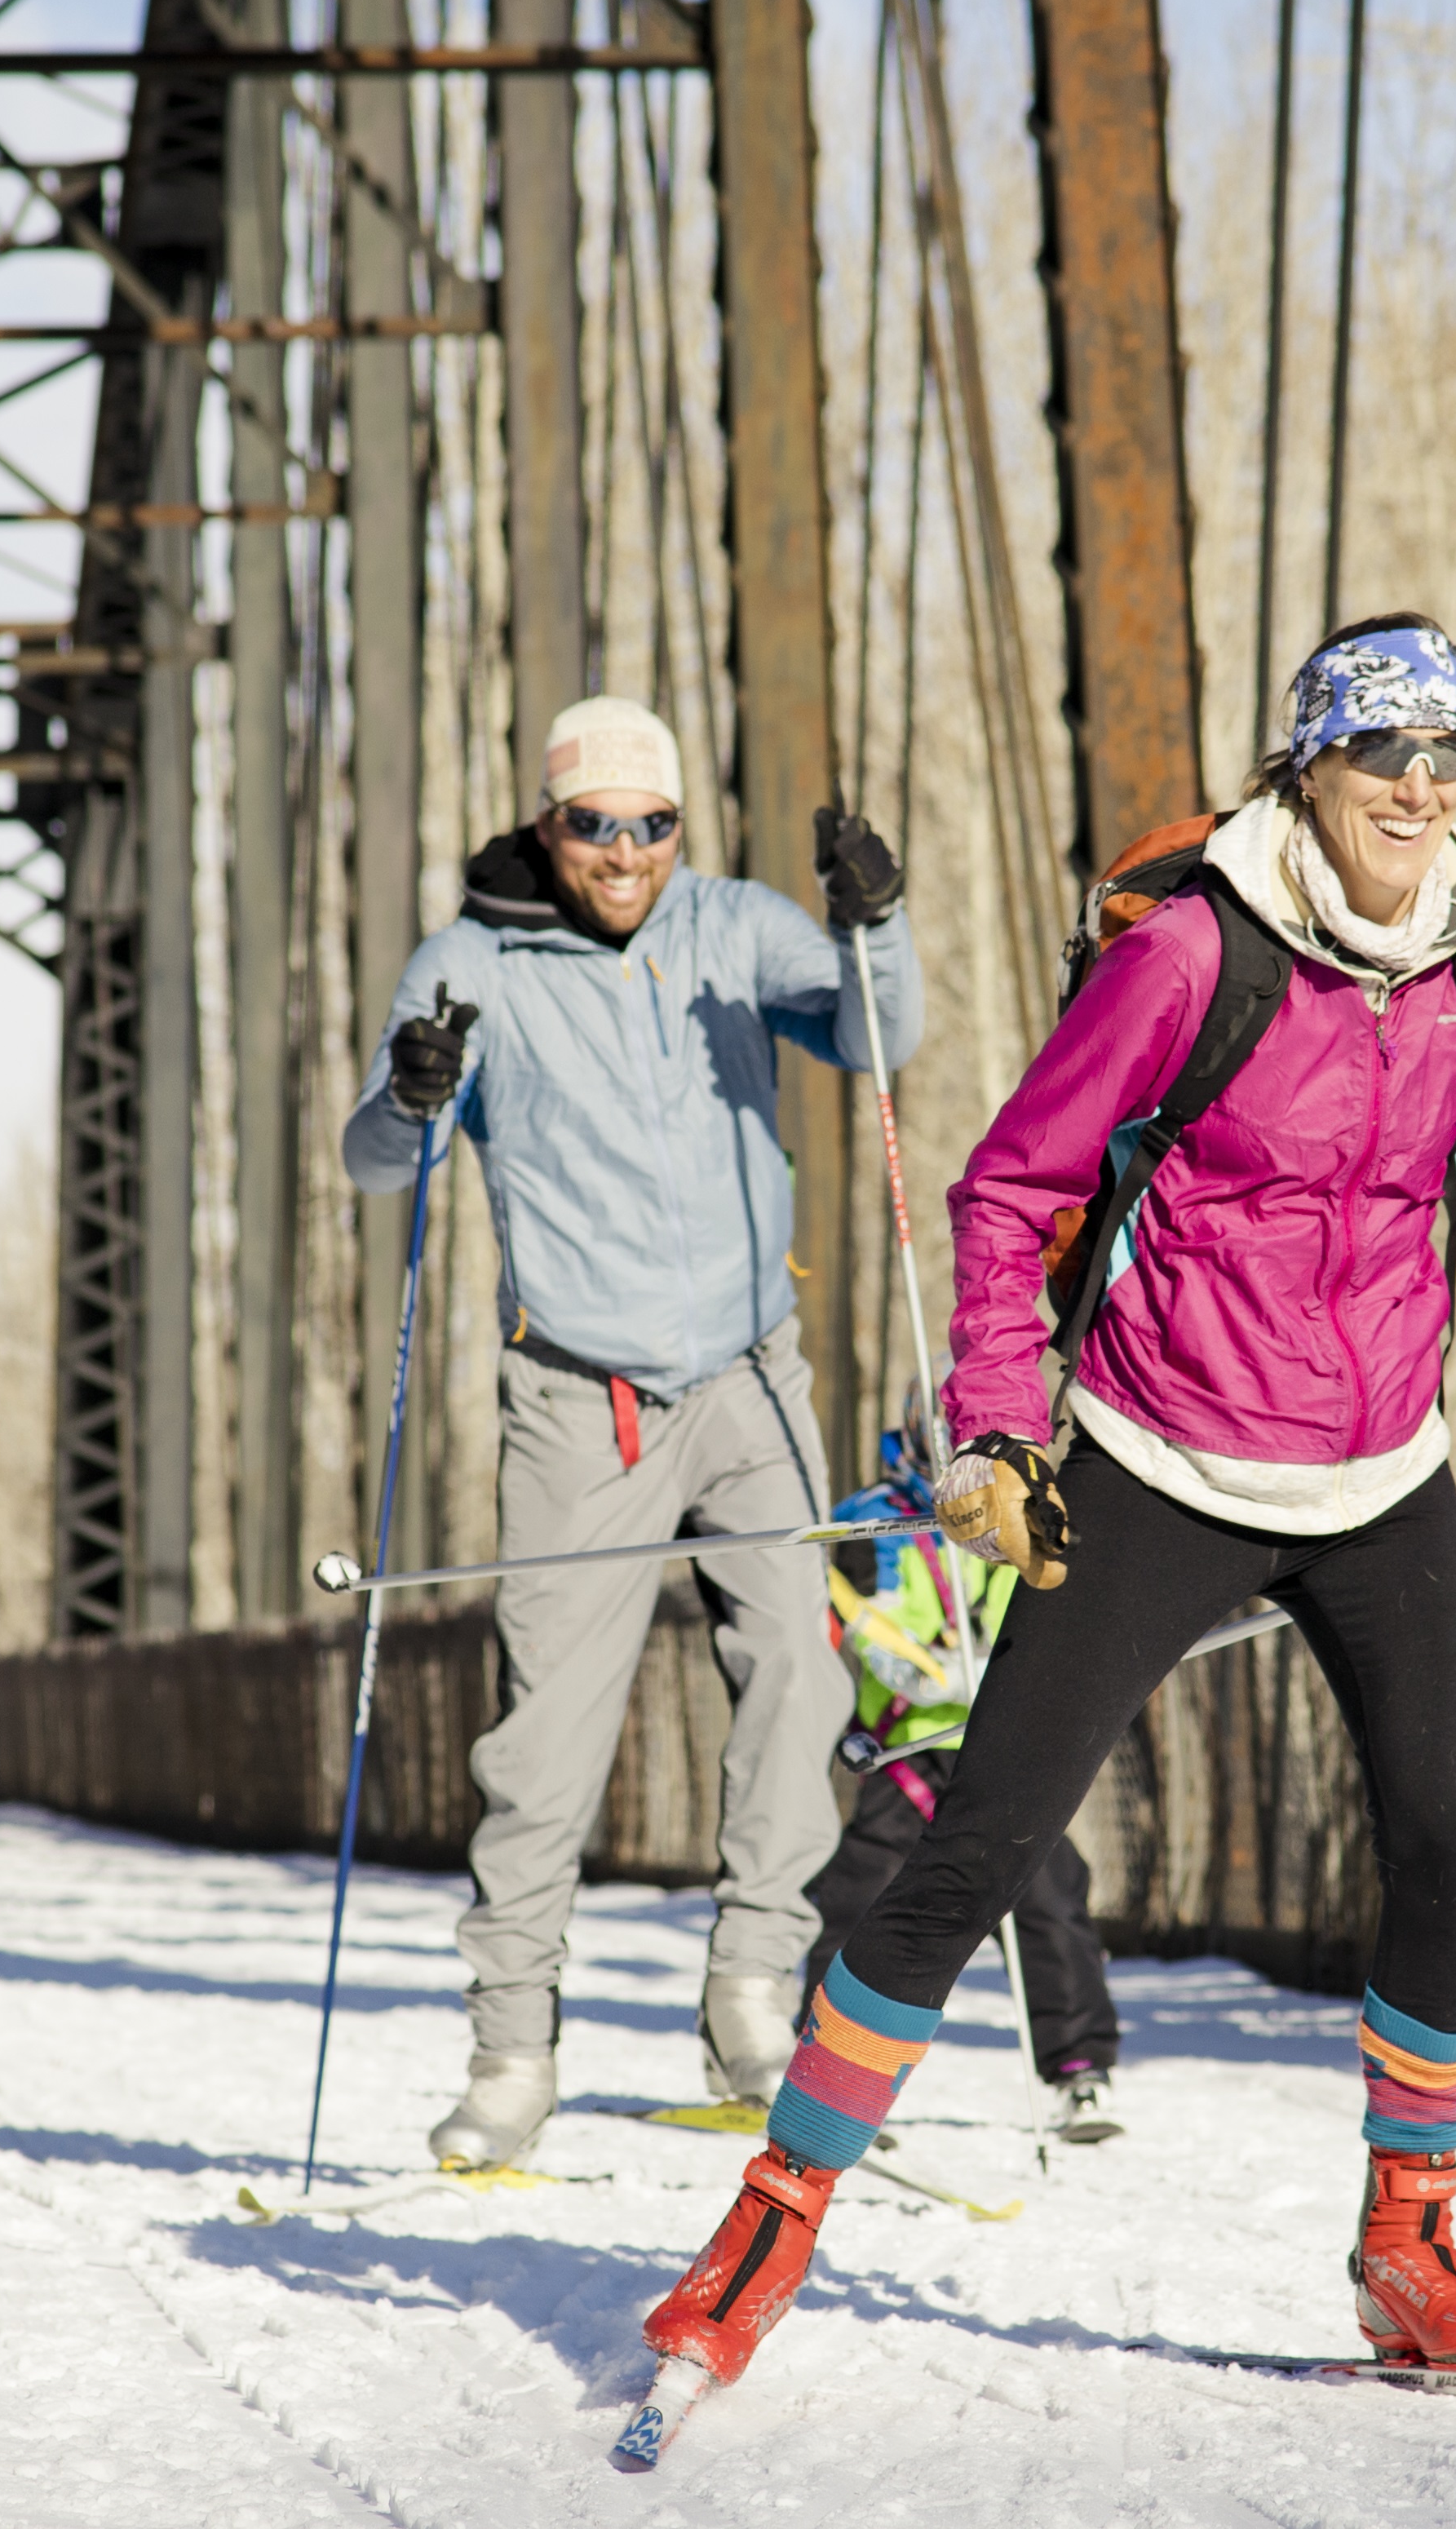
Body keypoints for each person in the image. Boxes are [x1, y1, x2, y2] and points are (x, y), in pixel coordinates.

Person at [633, 614, 1456, 2396]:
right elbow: (1010, 1194)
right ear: (1309, 767)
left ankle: (1408, 2243)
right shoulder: (1190, 957)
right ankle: (774, 2212)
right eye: (1383, 754)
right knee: (978, 1846)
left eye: (1448, 757)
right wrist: (1001, 1437)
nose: (1419, 788)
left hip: (1381, 1470)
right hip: (1160, 1457)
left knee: (1441, 1843)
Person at [341, 693, 923, 2172]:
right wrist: (414, 1097)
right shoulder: (472, 961)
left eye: (650, 824)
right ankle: (512, 2055)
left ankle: (749, 1995)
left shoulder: (734, 927)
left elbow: (880, 1032)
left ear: (680, 825)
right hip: (577, 1394)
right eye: (595, 824)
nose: (624, 852)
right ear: (551, 822)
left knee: (799, 1664)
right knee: (549, 1738)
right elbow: (371, 1158)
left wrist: (882, 919)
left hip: (744, 1375)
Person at [802, 1472, 1122, 2144]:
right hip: (906, 1752)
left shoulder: (1031, 1506)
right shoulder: (873, 1516)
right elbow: (865, 1614)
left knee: (1049, 1896)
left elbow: (1050, 1598)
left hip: (997, 1737)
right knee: (856, 1898)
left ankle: (1078, 2067)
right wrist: (919, 1665)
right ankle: (825, 2071)